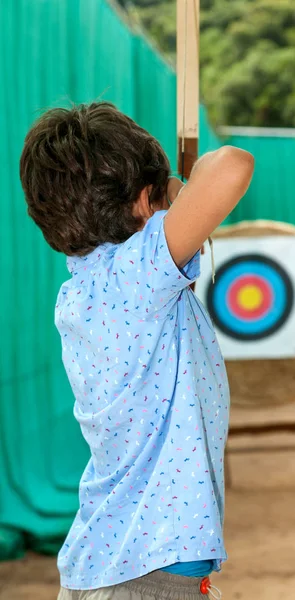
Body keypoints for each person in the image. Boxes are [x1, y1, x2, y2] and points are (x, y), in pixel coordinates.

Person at [20, 102, 254, 600]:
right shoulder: (135, 276)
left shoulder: (84, 289)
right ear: (146, 205)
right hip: (148, 574)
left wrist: (163, 195)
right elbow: (232, 165)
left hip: (111, 566)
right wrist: (177, 185)